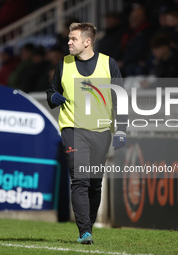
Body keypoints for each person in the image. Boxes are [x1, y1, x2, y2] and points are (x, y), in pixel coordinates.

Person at [46, 22, 127, 244]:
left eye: (73, 39)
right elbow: (52, 90)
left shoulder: (108, 64)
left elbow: (120, 98)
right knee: (79, 180)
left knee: (94, 183)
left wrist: (122, 129)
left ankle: (87, 227)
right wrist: (53, 97)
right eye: (69, 39)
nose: (68, 42)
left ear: (87, 41)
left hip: (101, 130)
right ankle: (84, 232)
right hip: (73, 128)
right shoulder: (64, 63)